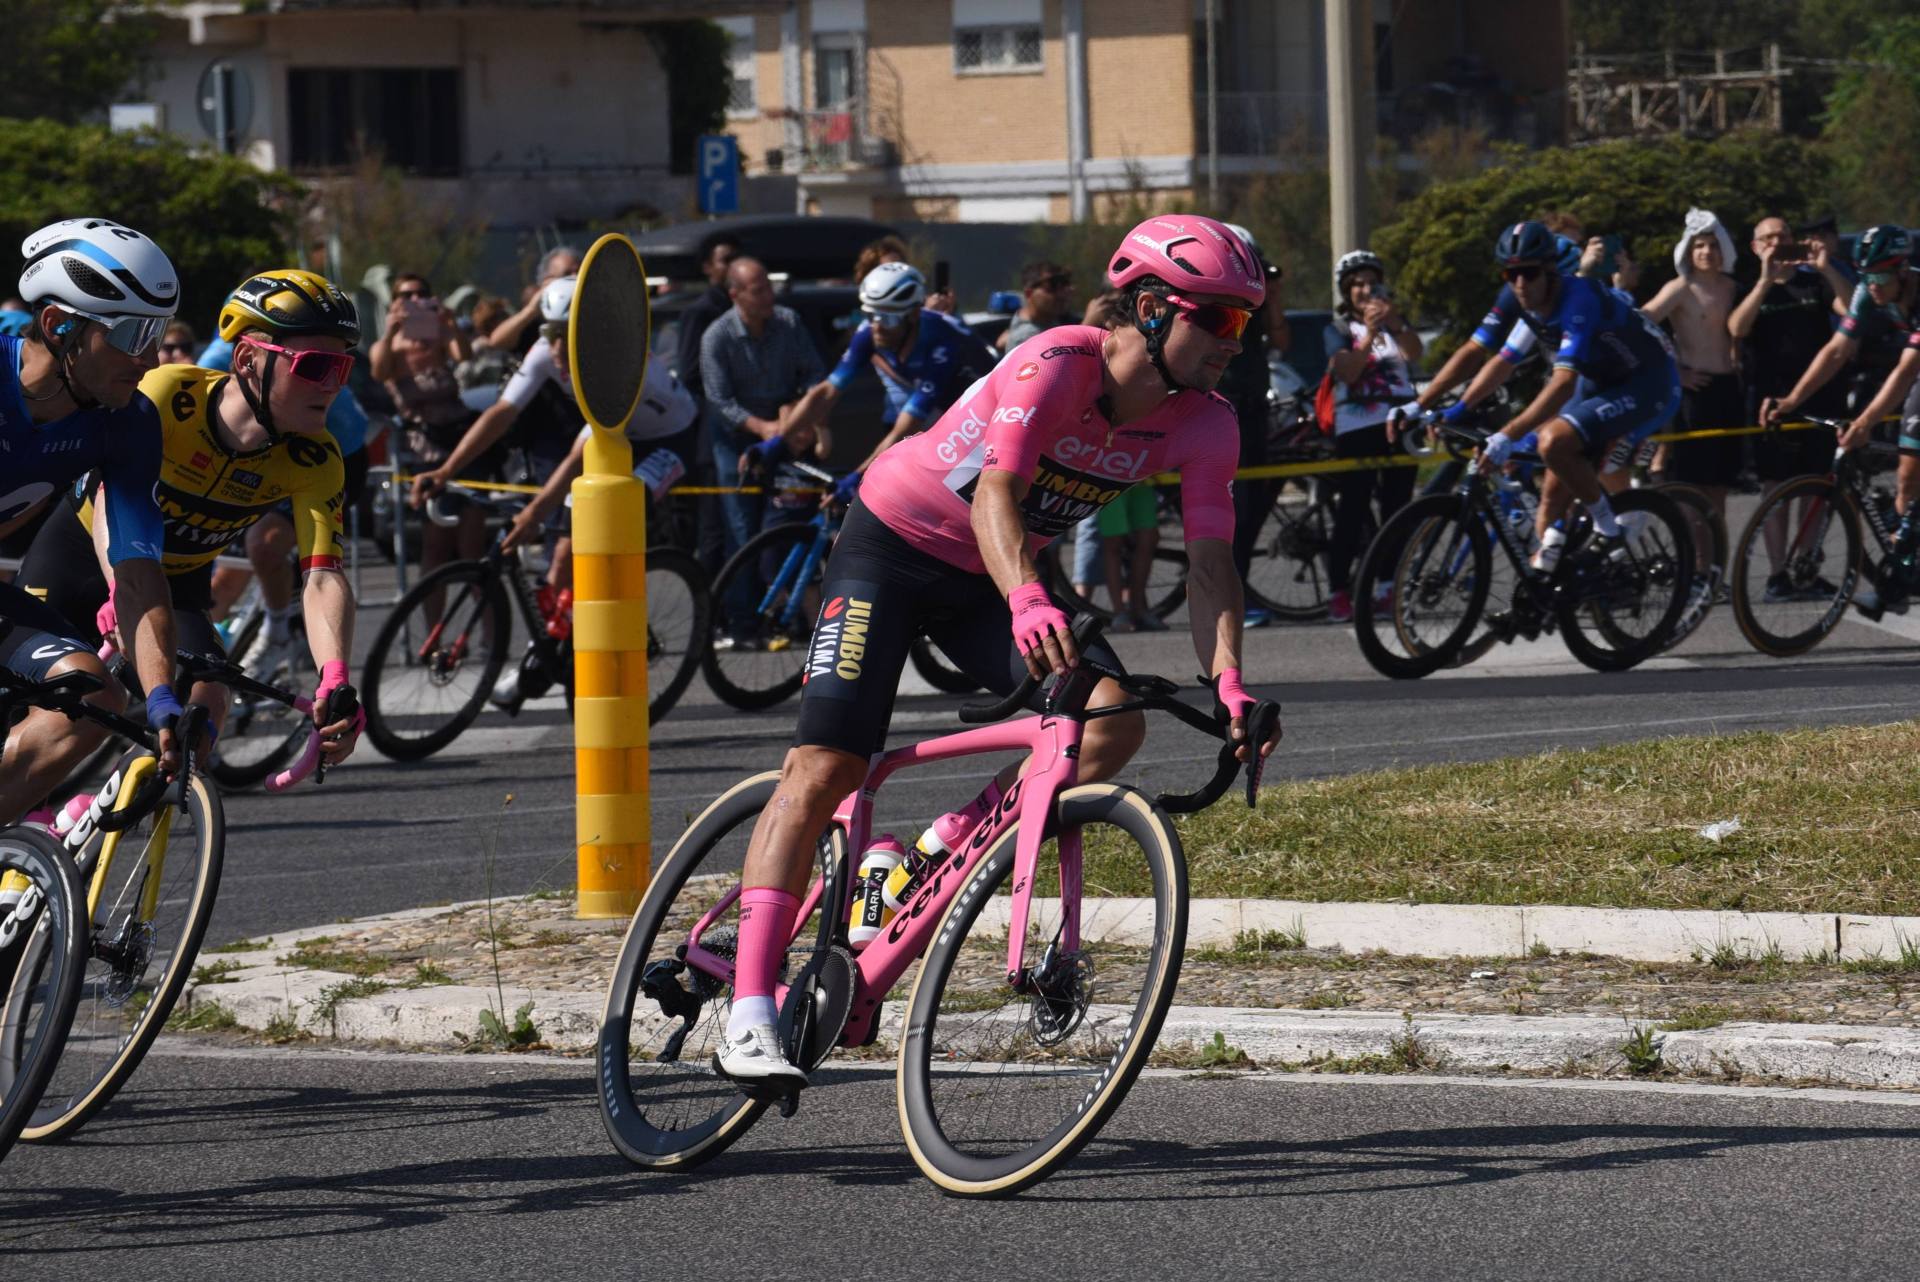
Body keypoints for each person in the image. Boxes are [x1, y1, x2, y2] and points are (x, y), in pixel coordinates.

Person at [711, 214, 1282, 1086]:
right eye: (1224, 319)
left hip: (992, 573)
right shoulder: (1058, 359)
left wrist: (1233, 686)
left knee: (1108, 725)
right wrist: (1024, 597)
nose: (1237, 343)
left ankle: (932, 851)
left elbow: (1210, 566)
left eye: (1249, 321)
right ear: (1158, 309)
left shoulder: (1206, 423)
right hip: (894, 550)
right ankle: (749, 1006)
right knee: (825, 765)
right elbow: (997, 490)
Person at [15, 268, 364, 768]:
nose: (332, 385)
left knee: (210, 698)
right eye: (315, 366)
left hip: (175, 583)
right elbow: (115, 495)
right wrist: (119, 590)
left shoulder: (317, 459)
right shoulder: (167, 396)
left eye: (342, 368)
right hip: (81, 555)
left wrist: (334, 677)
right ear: (248, 359)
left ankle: (110, 814)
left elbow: (322, 577)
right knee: (49, 703)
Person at [0, 218, 182, 825]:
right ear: (59, 326)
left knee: (100, 696)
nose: (151, 358)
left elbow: (136, 571)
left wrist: (161, 699)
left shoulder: (125, 421)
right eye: (134, 333)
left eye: (157, 333)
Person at [1393, 220, 1680, 567]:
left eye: (1528, 273)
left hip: (1647, 382)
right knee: (1547, 489)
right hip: (1598, 381)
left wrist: (1505, 435)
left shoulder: (1579, 299)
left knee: (1552, 442)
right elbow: (1482, 353)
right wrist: (1424, 405)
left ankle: (1609, 528)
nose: (1519, 284)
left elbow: (1562, 385)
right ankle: (1548, 580)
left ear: (1550, 271)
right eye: (1509, 274)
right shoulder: (1517, 295)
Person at [786, 262, 995, 485]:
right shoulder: (871, 330)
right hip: (941, 423)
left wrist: (859, 476)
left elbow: (910, 423)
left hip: (984, 427)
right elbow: (827, 391)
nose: (877, 326)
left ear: (913, 315)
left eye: (888, 318)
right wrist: (780, 440)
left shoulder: (942, 340)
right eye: (870, 314)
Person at [1730, 216, 1848, 600]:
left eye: (1783, 236)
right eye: (1768, 238)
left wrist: (1826, 267)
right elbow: (1737, 328)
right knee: (1774, 487)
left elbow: (1850, 309)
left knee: (1816, 485)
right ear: (1755, 247)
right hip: (1771, 400)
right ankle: (1777, 573)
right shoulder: (1751, 290)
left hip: (1820, 395)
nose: (1777, 243)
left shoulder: (1813, 282)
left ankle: (1805, 568)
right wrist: (1765, 280)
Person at [699, 257, 826, 565]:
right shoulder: (717, 337)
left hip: (787, 433)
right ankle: (744, 612)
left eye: (769, 287)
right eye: (759, 291)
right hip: (736, 440)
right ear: (735, 295)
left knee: (788, 524)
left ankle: (785, 605)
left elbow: (814, 374)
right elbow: (719, 400)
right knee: (741, 528)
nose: (769, 296)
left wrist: (799, 413)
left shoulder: (789, 322)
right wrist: (763, 428)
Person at [1323, 249, 1421, 623]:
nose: (1366, 290)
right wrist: (1369, 336)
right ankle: (1339, 590)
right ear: (1347, 292)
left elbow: (1414, 353)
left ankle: (1385, 587)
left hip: (1400, 421)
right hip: (1358, 425)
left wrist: (1394, 323)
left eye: (1372, 283)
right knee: (1354, 508)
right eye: (1358, 284)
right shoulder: (1337, 330)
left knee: (1397, 508)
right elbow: (1346, 372)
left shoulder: (1396, 324)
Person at [377, 272, 487, 596]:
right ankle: (433, 638)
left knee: (473, 543)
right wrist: (391, 331)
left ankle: (487, 638)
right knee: (436, 544)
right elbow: (379, 371)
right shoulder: (392, 344)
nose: (414, 300)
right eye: (406, 295)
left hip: (459, 437)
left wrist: (450, 324)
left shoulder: (438, 333)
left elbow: (463, 355)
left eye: (421, 293)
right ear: (394, 301)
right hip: (424, 445)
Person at [1640, 210, 1742, 518]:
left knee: (1720, 487)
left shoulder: (1732, 288)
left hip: (1729, 389)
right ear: (1688, 250)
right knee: (1693, 485)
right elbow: (1640, 325)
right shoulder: (1680, 288)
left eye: (1712, 245)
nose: (1706, 252)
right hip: (1695, 390)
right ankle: (1695, 559)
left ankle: (1715, 561)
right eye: (1699, 246)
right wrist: (1673, 373)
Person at [996, 261, 1075, 352]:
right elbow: (1058, 364)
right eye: (1052, 285)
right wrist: (1087, 327)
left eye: (1064, 284)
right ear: (1029, 293)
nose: (1061, 293)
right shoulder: (1023, 339)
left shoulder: (1053, 321)